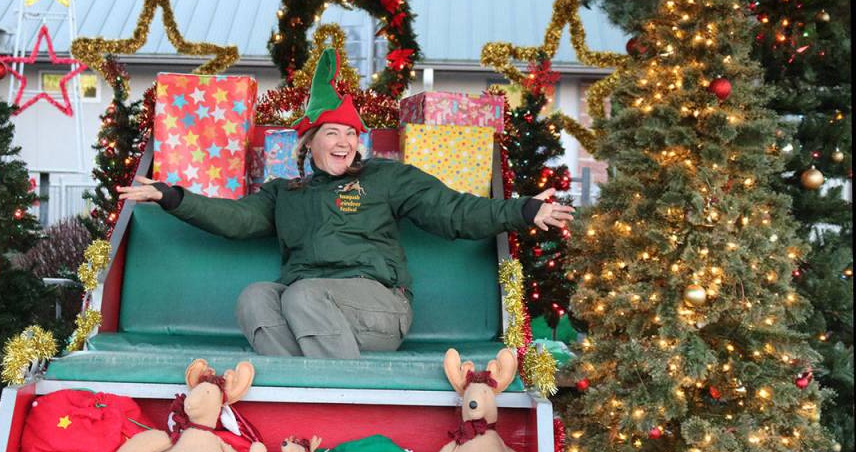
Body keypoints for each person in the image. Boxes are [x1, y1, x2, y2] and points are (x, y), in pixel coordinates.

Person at [116, 49, 575, 359]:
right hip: (310, 309)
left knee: (303, 293)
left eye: (352, 134)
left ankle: (341, 386)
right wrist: (172, 195)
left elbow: (454, 211)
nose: (345, 142)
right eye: (332, 133)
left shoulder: (386, 178)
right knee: (256, 297)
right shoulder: (284, 192)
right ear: (309, 144)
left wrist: (524, 209)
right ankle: (299, 392)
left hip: (379, 309)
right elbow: (232, 219)